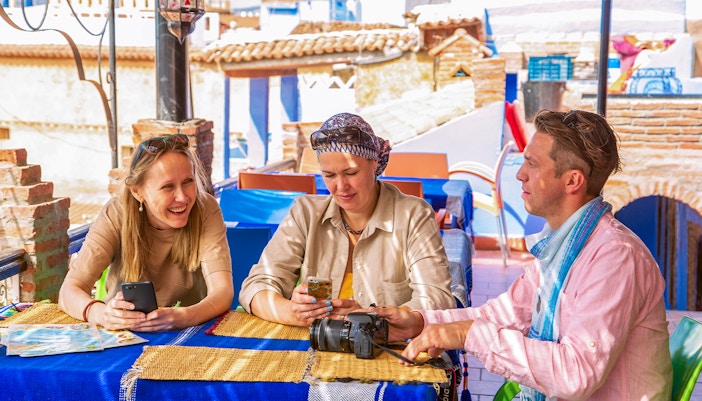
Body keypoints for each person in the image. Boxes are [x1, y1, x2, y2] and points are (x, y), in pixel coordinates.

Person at [376, 109, 673, 400]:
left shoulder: (615, 257)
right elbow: (504, 315)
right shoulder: (563, 246)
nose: (520, 175)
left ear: (572, 181)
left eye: (532, 164)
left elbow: (575, 375)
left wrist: (467, 334)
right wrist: (421, 322)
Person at [238, 112, 456, 326]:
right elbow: (255, 286)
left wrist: (371, 321)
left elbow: (438, 301)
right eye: (329, 175)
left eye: (351, 173)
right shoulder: (305, 213)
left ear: (375, 164)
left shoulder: (413, 217)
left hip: (387, 353)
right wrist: (292, 312)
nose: (341, 187)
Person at [59, 134, 233, 332]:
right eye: (168, 187)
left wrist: (184, 317)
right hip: (124, 333)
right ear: (137, 192)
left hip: (190, 332)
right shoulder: (117, 213)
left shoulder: (205, 208)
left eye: (188, 182)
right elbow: (69, 290)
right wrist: (101, 314)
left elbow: (223, 292)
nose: (183, 197)